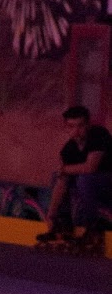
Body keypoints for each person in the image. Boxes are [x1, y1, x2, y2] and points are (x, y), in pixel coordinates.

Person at [37, 104, 112, 252]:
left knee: (84, 179)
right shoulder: (68, 149)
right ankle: (63, 226)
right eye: (72, 127)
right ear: (66, 127)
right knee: (59, 177)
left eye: (80, 126)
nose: (76, 131)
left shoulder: (98, 134)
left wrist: (64, 169)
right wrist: (51, 213)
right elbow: (61, 182)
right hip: (95, 187)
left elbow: (91, 167)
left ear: (88, 125)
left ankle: (94, 229)